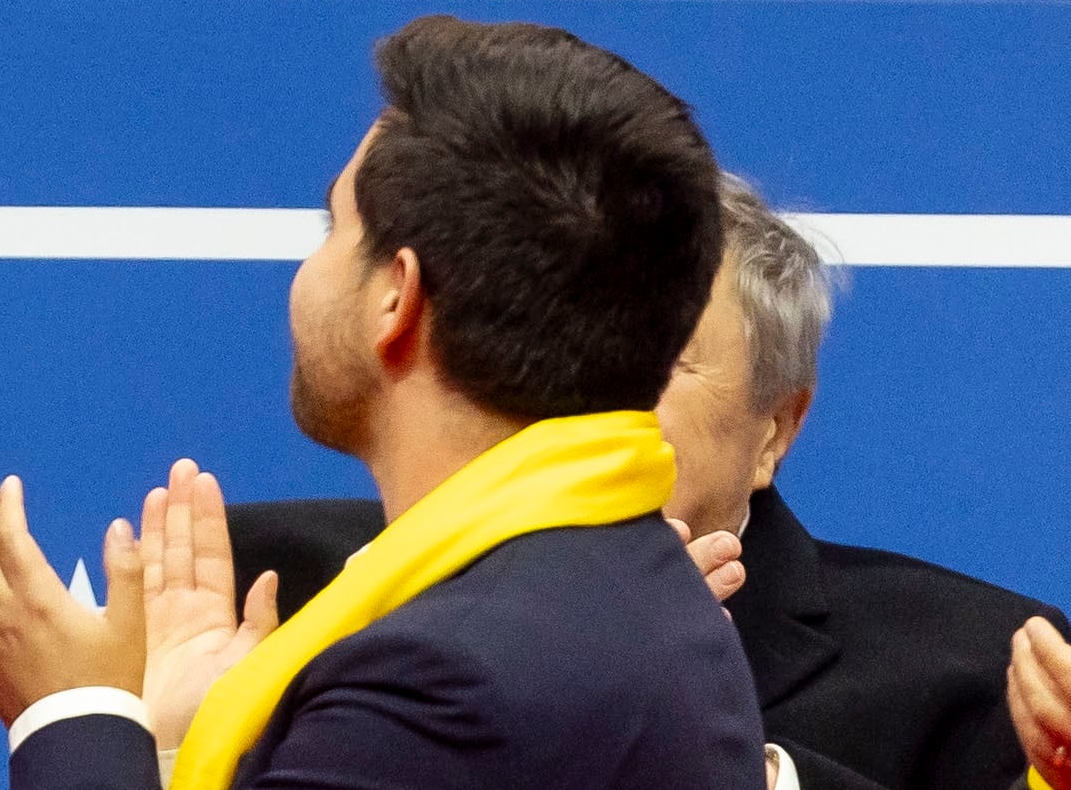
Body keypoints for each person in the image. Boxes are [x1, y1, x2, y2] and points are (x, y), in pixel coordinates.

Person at [0, 14, 761, 790]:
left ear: (395, 297)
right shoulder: (643, 593)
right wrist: (176, 745)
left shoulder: (442, 685)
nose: (306, 272)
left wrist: (73, 713)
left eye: (333, 227)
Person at [237, 176, 1058, 790]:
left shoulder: (977, 673)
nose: (583, 393)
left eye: (649, 359)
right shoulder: (265, 588)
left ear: (775, 427)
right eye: (559, 346)